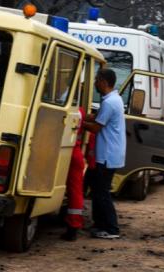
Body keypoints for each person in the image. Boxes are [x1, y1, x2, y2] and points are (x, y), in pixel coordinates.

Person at [82, 68, 126, 239]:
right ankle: (100, 224)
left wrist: (77, 122)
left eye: (97, 80)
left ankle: (111, 228)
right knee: (97, 189)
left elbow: (95, 127)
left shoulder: (109, 102)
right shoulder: (113, 99)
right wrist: (82, 115)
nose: (95, 83)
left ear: (104, 82)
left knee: (102, 192)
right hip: (110, 153)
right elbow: (97, 117)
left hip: (107, 155)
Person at [62, 107, 87, 241]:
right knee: (75, 191)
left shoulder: (66, 108)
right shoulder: (80, 111)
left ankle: (73, 225)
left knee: (74, 192)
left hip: (69, 152)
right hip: (75, 152)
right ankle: (73, 225)